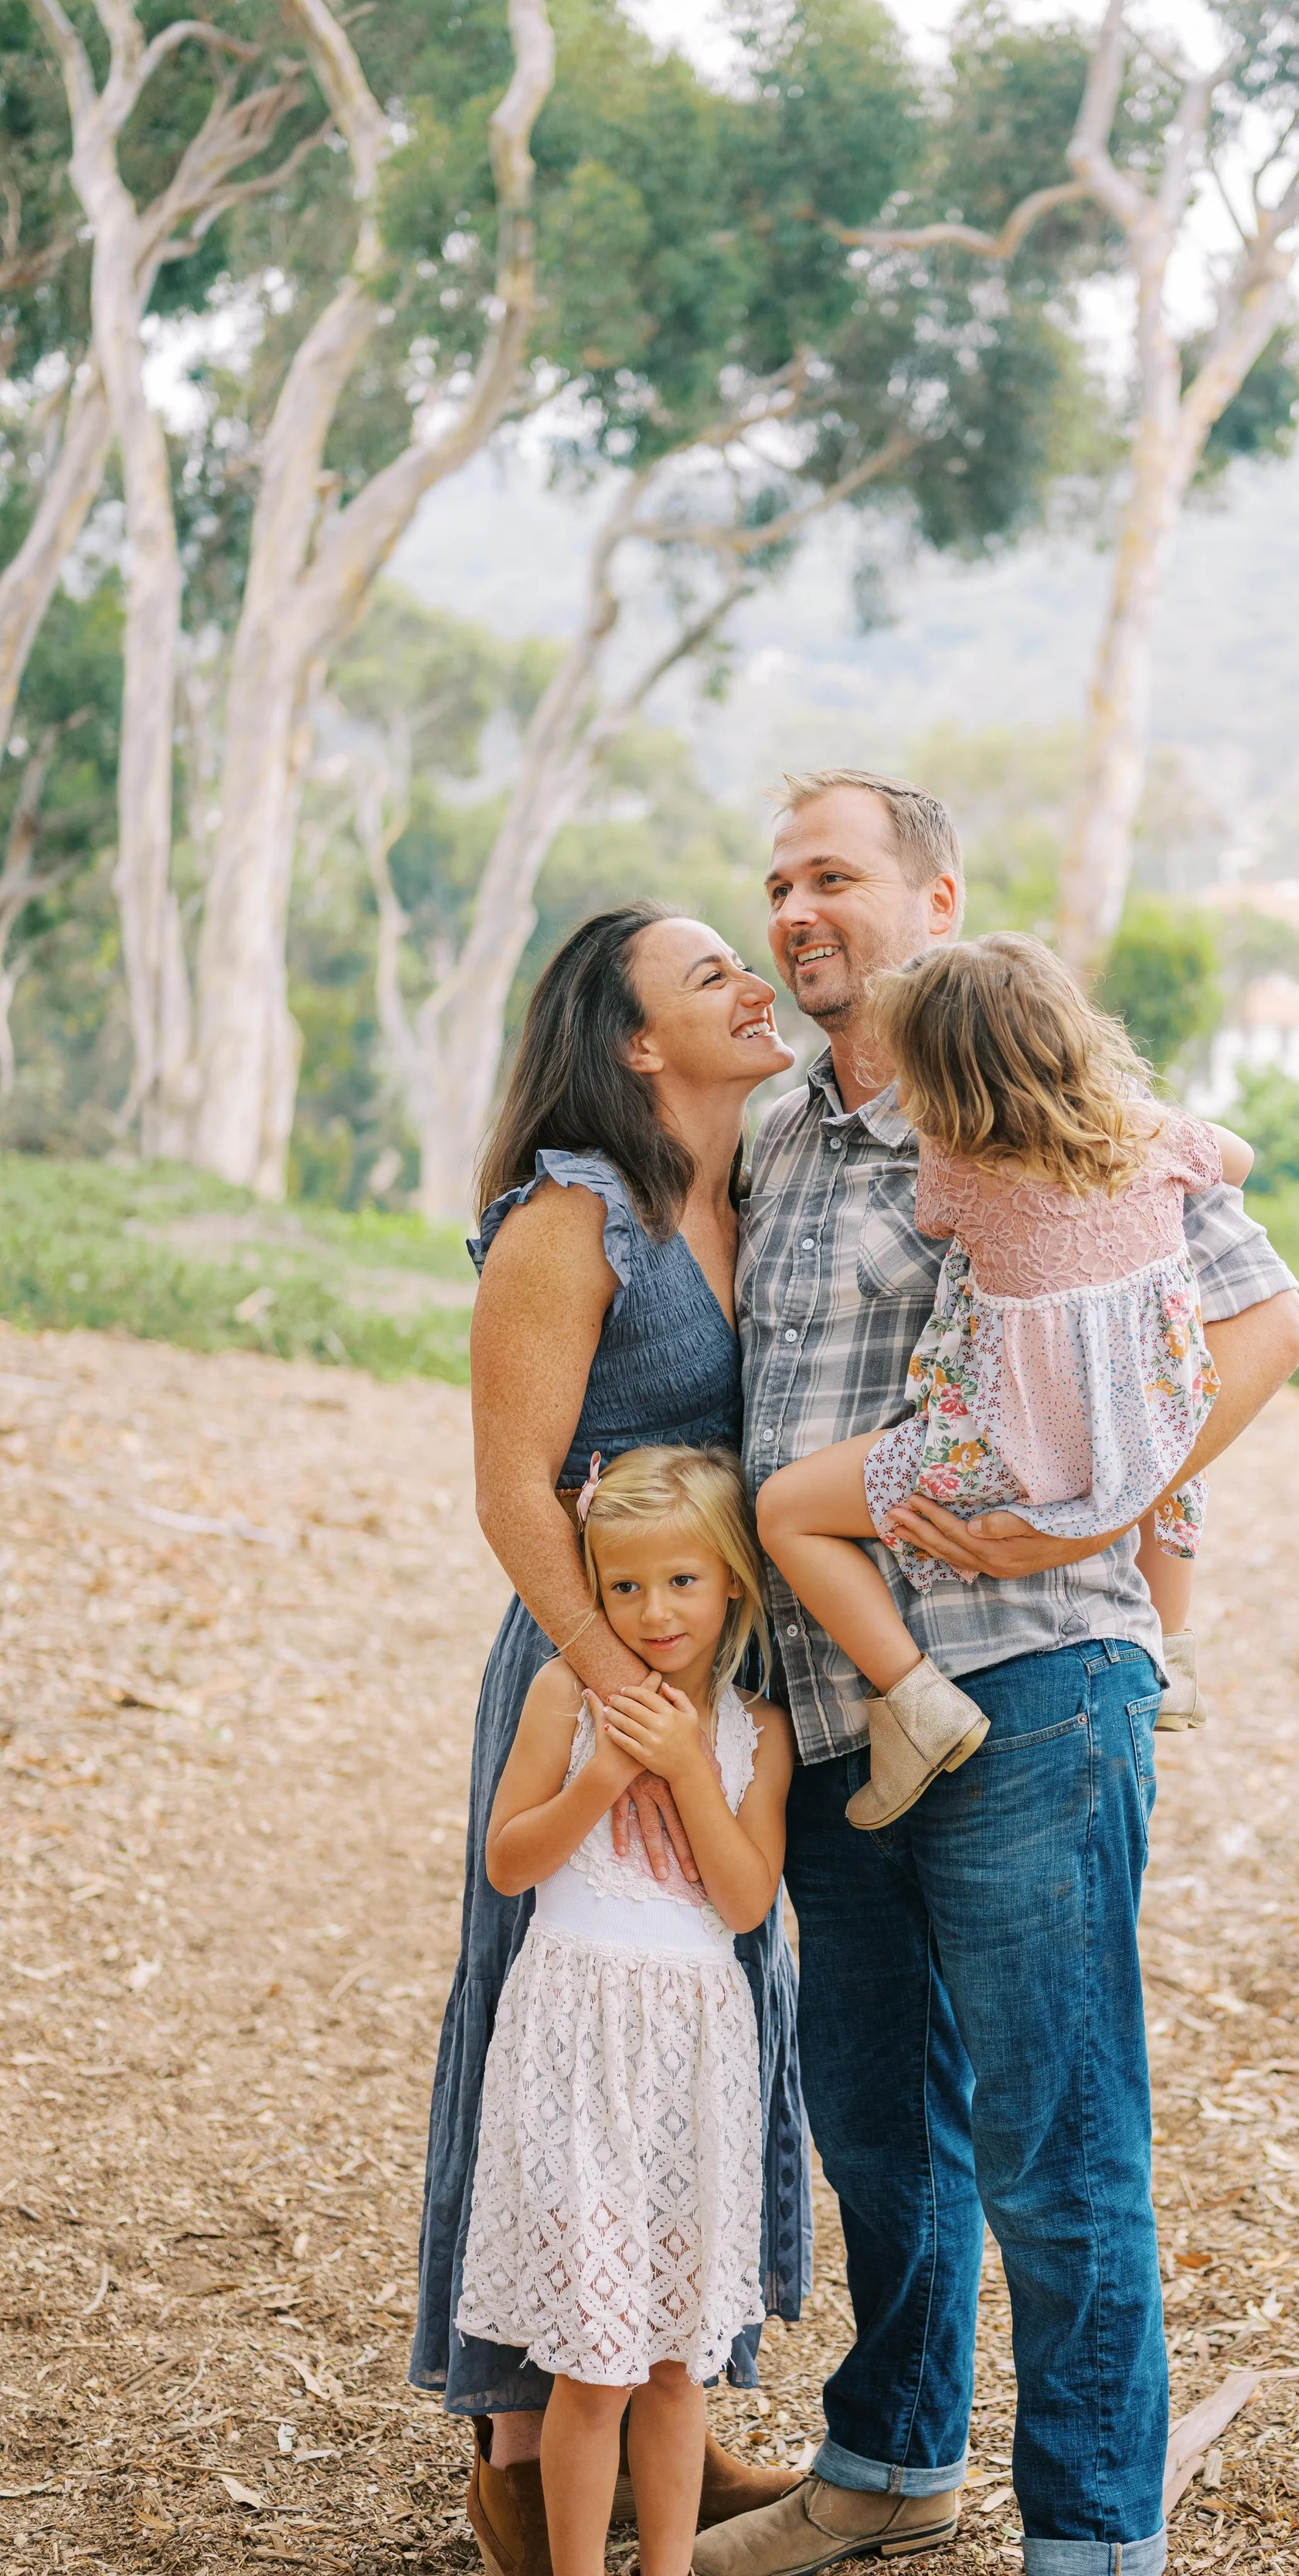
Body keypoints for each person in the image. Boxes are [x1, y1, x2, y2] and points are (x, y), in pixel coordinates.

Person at [695, 771, 1299, 2576]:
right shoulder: (779, 1133)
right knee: (880, 2129)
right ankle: (889, 2463)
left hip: (1036, 1683)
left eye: (835, 878)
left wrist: (1094, 1513)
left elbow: (1268, 1324)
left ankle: (1096, 2540)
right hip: (826, 1705)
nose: (797, 911)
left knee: (1059, 2145)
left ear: (937, 899)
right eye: (776, 882)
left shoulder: (1056, 1111)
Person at [410, 903, 811, 2576]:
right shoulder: (575, 1219)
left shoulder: (765, 1184)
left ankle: (665, 2386)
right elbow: (512, 1492)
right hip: (597, 1667)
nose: (751, 975)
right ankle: (518, 2453)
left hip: (718, 1672)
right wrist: (618, 1698)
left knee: (710, 2011)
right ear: (637, 1043)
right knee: (549, 2022)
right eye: (707, 968)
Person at [757, 932, 1253, 1827]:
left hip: (1003, 1453)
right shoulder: (1158, 1136)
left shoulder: (959, 1167)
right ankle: (1171, 1650)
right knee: (1170, 1431)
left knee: (785, 1510)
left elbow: (939, 1224)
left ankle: (914, 1701)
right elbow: (1238, 1158)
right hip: (1141, 1433)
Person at [457, 1446, 794, 2576]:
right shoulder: (567, 1693)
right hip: (573, 2041)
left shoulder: (758, 1728)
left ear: (734, 1581)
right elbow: (508, 1863)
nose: (655, 1612)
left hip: (693, 2057)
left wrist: (691, 1770)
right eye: (624, 1587)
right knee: (593, 2361)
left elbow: (747, 1902)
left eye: (683, 1582)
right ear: (593, 1591)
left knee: (671, 2364)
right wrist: (601, 1777)